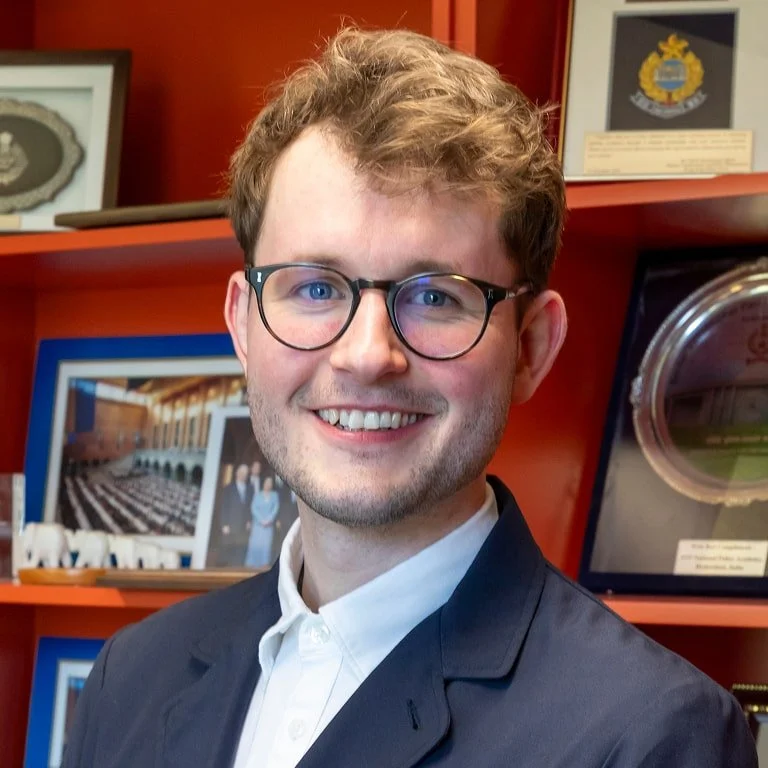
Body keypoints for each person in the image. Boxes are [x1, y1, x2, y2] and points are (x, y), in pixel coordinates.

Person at [62, 26, 757, 768]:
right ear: (243, 326)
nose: (367, 356)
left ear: (531, 348)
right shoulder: (130, 677)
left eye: (434, 297)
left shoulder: (653, 735)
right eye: (316, 288)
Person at [215, 462, 252, 566]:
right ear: (237, 473)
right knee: (227, 550)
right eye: (242, 472)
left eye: (246, 473)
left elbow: (249, 507)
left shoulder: (250, 489)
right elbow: (224, 507)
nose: (243, 475)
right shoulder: (228, 488)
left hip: (243, 526)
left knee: (239, 552)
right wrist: (224, 524)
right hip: (229, 525)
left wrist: (249, 521)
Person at [245, 475, 280, 567]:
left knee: (266, 546)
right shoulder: (258, 494)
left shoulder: (274, 495)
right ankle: (251, 565)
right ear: (263, 483)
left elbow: (275, 508)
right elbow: (253, 508)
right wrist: (261, 520)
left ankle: (263, 565)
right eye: (266, 482)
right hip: (258, 525)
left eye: (270, 483)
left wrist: (268, 520)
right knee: (255, 544)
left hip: (268, 526)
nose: (268, 484)